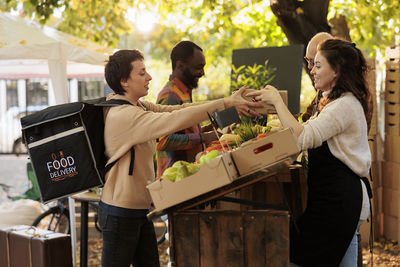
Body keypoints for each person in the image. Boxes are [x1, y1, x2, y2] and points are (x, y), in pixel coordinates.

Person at [98, 49, 260, 267]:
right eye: (142, 73)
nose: (149, 77)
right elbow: (175, 119)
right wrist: (225, 104)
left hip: (138, 210)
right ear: (124, 81)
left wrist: (226, 101)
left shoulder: (139, 106)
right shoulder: (124, 116)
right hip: (120, 213)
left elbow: (182, 109)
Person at [247, 39, 372, 267]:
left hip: (339, 202)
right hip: (332, 199)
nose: (312, 70)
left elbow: (302, 136)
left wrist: (277, 102)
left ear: (336, 70)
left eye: (318, 65)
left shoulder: (344, 105)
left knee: (299, 255)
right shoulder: (333, 101)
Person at [155, 41, 218, 178]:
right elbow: (164, 141)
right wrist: (204, 137)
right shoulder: (170, 95)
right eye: (198, 67)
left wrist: (209, 129)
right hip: (174, 179)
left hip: (188, 173)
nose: (202, 73)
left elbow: (184, 131)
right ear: (180, 66)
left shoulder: (183, 92)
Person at [301, 32, 333, 122]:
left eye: (314, 63)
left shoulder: (342, 100)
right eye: (307, 61)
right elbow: (306, 117)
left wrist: (278, 103)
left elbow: (310, 132)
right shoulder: (323, 91)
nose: (310, 69)